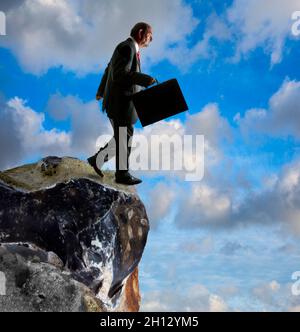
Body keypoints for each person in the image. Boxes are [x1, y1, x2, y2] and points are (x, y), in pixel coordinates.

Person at [87, 22, 156, 186]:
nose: (151, 39)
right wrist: (145, 79)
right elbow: (119, 74)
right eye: (149, 35)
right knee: (124, 138)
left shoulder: (127, 48)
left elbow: (108, 69)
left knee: (122, 138)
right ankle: (122, 175)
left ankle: (97, 160)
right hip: (120, 104)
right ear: (140, 33)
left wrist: (100, 91)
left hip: (120, 103)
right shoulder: (127, 48)